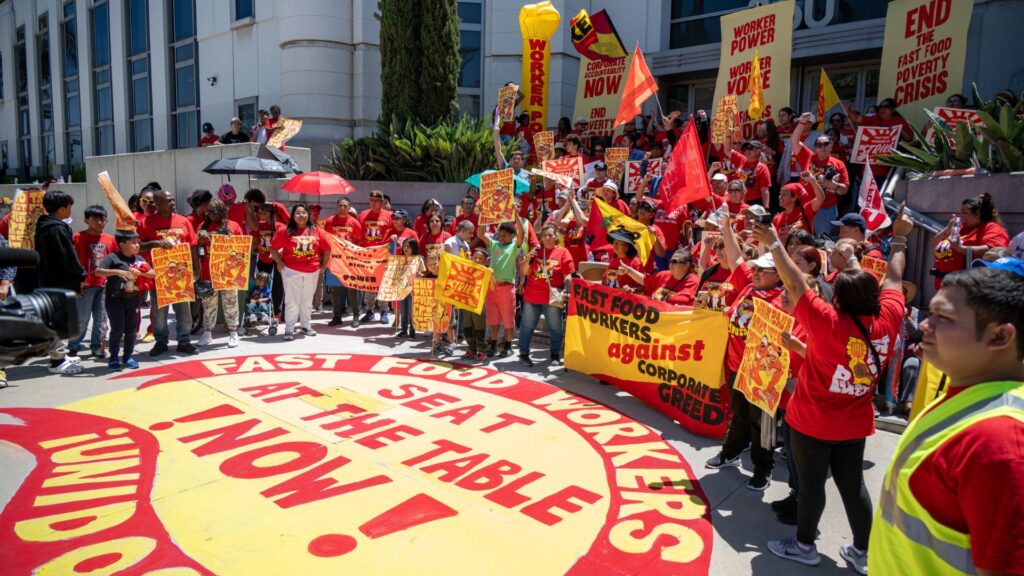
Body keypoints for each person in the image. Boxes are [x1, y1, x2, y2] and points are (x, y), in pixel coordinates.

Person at [762, 206, 914, 573]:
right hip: (854, 424)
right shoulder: (889, 317)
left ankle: (804, 546)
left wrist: (771, 241)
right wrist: (901, 237)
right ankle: (864, 552)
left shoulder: (829, 321)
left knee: (812, 486)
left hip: (812, 421)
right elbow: (895, 274)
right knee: (852, 485)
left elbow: (795, 282)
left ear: (840, 301)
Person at [869, 260, 1024, 576]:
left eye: (944, 318)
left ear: (999, 337)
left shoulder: (1001, 442)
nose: (925, 325)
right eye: (931, 313)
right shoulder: (969, 395)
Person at [704, 210, 784, 492]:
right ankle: (731, 452)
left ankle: (763, 468)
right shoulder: (748, 286)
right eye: (757, 269)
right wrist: (726, 227)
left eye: (765, 270)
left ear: (779, 275)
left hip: (763, 373)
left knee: (761, 422)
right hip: (737, 365)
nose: (758, 272)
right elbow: (737, 258)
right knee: (739, 414)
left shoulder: (783, 298)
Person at [34, 190, 86, 374]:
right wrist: (81, 275)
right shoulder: (57, 229)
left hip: (48, 280)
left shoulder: (43, 226)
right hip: (59, 283)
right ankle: (57, 361)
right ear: (62, 208)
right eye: (69, 207)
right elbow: (68, 258)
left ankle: (60, 355)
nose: (71, 210)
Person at [94, 231, 155, 370]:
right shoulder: (113, 258)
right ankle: (114, 357)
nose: (137, 245)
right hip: (115, 300)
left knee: (131, 330)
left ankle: (128, 356)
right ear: (122, 245)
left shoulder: (138, 259)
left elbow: (153, 274)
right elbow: (98, 271)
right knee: (117, 330)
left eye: (137, 242)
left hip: (133, 299)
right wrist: (117, 272)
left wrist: (142, 273)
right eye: (133, 243)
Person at [269, 204, 331, 340]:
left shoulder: (316, 231)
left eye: (304, 213)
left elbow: (327, 248)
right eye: (298, 213)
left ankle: (305, 326)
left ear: (308, 215)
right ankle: (289, 330)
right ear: (292, 215)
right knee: (292, 301)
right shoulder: (285, 231)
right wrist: (279, 262)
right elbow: (272, 248)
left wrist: (324, 266)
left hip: (312, 271)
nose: (301, 215)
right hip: (291, 271)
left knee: (307, 300)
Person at [518, 223, 574, 367]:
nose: (547, 238)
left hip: (552, 297)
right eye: (544, 235)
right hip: (532, 295)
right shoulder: (535, 252)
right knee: (526, 326)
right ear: (540, 238)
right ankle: (523, 354)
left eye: (550, 235)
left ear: (556, 237)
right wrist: (528, 257)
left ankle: (554, 353)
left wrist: (567, 289)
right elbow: (524, 271)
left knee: (556, 328)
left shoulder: (563, 252)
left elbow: (568, 274)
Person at [932, 192, 1010, 288]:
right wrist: (947, 230)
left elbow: (993, 251)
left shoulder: (992, 229)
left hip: (967, 289)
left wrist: (961, 248)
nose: (961, 216)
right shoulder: (963, 228)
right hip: (945, 286)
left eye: (965, 213)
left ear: (977, 214)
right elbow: (935, 243)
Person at [69, 205, 117, 359]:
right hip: (85, 285)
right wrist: (76, 283)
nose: (100, 222)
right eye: (95, 219)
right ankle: (73, 345)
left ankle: (96, 346)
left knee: (100, 319)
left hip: (104, 285)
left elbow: (115, 261)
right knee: (82, 317)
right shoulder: (77, 237)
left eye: (102, 218)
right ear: (86, 220)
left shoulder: (110, 239)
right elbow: (72, 261)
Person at [790, 113, 850, 235]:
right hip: (805, 205)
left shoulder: (838, 164)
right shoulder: (807, 156)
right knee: (801, 239)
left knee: (821, 241)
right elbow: (794, 140)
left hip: (825, 210)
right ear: (815, 147)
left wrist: (832, 184)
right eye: (819, 145)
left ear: (831, 146)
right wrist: (802, 123)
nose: (822, 147)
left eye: (826, 144)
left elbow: (845, 190)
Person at [195, 199, 243, 348]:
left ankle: (233, 333)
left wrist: (224, 238)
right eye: (207, 212)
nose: (210, 215)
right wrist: (200, 241)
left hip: (228, 271)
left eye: (213, 212)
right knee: (208, 303)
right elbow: (195, 248)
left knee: (230, 302)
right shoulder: (202, 226)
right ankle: (207, 333)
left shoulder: (233, 226)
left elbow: (242, 247)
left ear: (222, 211)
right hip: (208, 271)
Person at [477, 219, 524, 358]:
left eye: (504, 235)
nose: (501, 237)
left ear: (512, 235)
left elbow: (522, 233)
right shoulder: (494, 244)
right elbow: (480, 233)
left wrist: (518, 217)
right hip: (491, 287)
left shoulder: (514, 246)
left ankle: (507, 346)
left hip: (507, 288)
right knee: (493, 318)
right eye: (500, 234)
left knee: (508, 318)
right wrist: (482, 215)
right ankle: (493, 344)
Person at [322, 196, 364, 328]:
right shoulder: (329, 221)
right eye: (340, 205)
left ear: (349, 207)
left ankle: (356, 316)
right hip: (335, 260)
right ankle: (336, 316)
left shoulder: (354, 222)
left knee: (352, 288)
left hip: (349, 260)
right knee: (335, 289)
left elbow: (360, 240)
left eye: (345, 206)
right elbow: (325, 239)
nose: (342, 208)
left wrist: (350, 248)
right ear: (337, 206)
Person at [357, 190, 394, 325]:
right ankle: (369, 311)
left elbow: (394, 233)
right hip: (367, 256)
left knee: (383, 283)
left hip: (383, 256)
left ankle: (384, 310)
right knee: (369, 284)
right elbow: (359, 234)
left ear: (382, 202)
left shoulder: (389, 215)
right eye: (371, 200)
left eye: (377, 200)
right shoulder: (363, 215)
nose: (374, 203)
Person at [772, 178, 824, 243]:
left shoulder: (805, 210)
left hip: (804, 251)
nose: (780, 197)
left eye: (784, 194)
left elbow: (821, 198)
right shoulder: (777, 218)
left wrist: (813, 181)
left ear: (794, 198)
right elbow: (774, 240)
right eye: (780, 194)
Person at [603, 228, 645, 292]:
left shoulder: (635, 262)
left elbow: (643, 286)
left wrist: (632, 290)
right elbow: (605, 280)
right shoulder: (613, 260)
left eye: (618, 243)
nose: (614, 245)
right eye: (614, 242)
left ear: (627, 247)